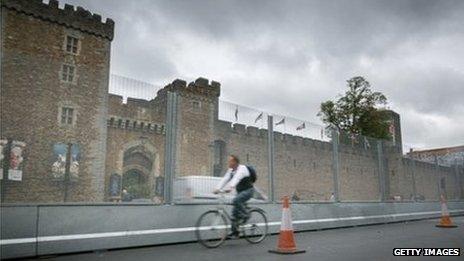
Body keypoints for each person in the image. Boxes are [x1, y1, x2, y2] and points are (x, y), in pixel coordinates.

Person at [213, 155, 254, 238]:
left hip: (248, 191)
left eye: (230, 161)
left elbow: (237, 178)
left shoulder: (242, 169)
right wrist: (217, 188)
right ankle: (235, 232)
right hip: (240, 192)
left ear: (235, 162)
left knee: (236, 201)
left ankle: (246, 215)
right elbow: (225, 179)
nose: (228, 162)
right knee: (234, 212)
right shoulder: (231, 170)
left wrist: (231, 187)